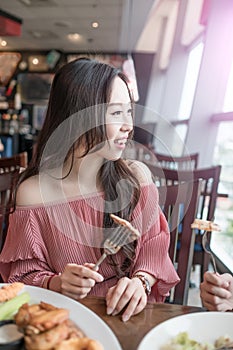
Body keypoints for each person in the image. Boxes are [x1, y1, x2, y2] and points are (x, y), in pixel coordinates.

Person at [0, 57, 179, 322]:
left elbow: (154, 247)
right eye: (116, 113)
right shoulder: (33, 194)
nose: (129, 125)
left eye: (129, 111)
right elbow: (23, 277)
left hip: (128, 319)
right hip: (68, 321)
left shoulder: (135, 178)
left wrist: (140, 282)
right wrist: (58, 283)